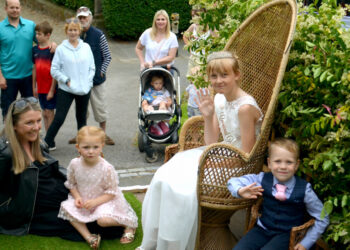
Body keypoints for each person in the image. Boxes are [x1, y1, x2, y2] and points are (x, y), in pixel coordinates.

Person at [138, 51, 263, 250]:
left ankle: (179, 241)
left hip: (238, 165)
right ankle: (165, 241)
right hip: (218, 153)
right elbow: (211, 140)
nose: (218, 81)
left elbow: (246, 155)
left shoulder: (244, 108)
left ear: (237, 75)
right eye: (214, 76)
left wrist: (216, 162)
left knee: (182, 187)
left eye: (224, 75)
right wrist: (208, 115)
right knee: (164, 176)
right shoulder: (220, 98)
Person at [0, 97, 124, 242]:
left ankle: (123, 217)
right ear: (14, 124)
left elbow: (55, 169)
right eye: (29, 123)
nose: (36, 127)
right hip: (34, 208)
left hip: (59, 193)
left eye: (38, 121)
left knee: (97, 205)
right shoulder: (4, 153)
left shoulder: (37, 142)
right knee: (98, 226)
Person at [228, 138, 329, 250]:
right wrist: (239, 190)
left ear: (296, 165)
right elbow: (233, 181)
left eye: (289, 162)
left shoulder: (305, 189)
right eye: (277, 161)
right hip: (263, 229)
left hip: (287, 234)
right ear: (269, 163)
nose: (283, 166)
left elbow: (323, 217)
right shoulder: (263, 179)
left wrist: (306, 242)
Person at [58, 126, 138, 248]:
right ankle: (89, 237)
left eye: (95, 147)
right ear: (78, 147)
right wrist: (77, 197)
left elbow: (111, 192)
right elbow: (72, 184)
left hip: (104, 201)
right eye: (86, 147)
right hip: (84, 200)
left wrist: (96, 202)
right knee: (67, 209)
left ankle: (128, 224)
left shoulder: (106, 168)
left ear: (102, 146)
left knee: (103, 221)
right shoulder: (74, 164)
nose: (91, 151)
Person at [44, 18, 95, 151]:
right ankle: (46, 143)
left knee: (81, 119)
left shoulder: (86, 47)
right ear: (66, 31)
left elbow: (92, 67)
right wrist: (65, 79)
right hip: (66, 89)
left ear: (79, 31)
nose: (73, 32)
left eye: (75, 30)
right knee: (59, 118)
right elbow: (54, 70)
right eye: (70, 30)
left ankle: (83, 146)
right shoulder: (61, 49)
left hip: (84, 89)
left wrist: (88, 82)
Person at [72, 6, 114, 146]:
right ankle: (81, 135)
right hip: (80, 81)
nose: (83, 19)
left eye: (85, 17)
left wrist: (101, 71)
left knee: (100, 108)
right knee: (81, 111)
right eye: (80, 17)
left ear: (90, 18)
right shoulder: (74, 35)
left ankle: (103, 135)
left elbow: (107, 56)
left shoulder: (98, 34)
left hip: (97, 80)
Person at [0, 0, 35, 119]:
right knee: (8, 111)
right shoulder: (0, 28)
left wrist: (53, 44)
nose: (15, 10)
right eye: (12, 7)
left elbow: (42, 43)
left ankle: (30, 136)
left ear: (20, 8)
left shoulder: (31, 26)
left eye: (17, 7)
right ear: (6, 9)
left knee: (30, 109)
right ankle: (8, 137)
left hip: (28, 75)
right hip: (8, 77)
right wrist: (0, 76)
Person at [32, 21, 57, 133]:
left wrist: (52, 90)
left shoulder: (53, 50)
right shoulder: (35, 50)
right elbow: (34, 69)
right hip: (40, 87)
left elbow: (55, 72)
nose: (37, 36)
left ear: (48, 35)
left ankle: (50, 138)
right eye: (36, 34)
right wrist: (34, 87)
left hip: (50, 88)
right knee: (43, 111)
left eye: (39, 34)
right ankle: (47, 136)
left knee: (49, 112)